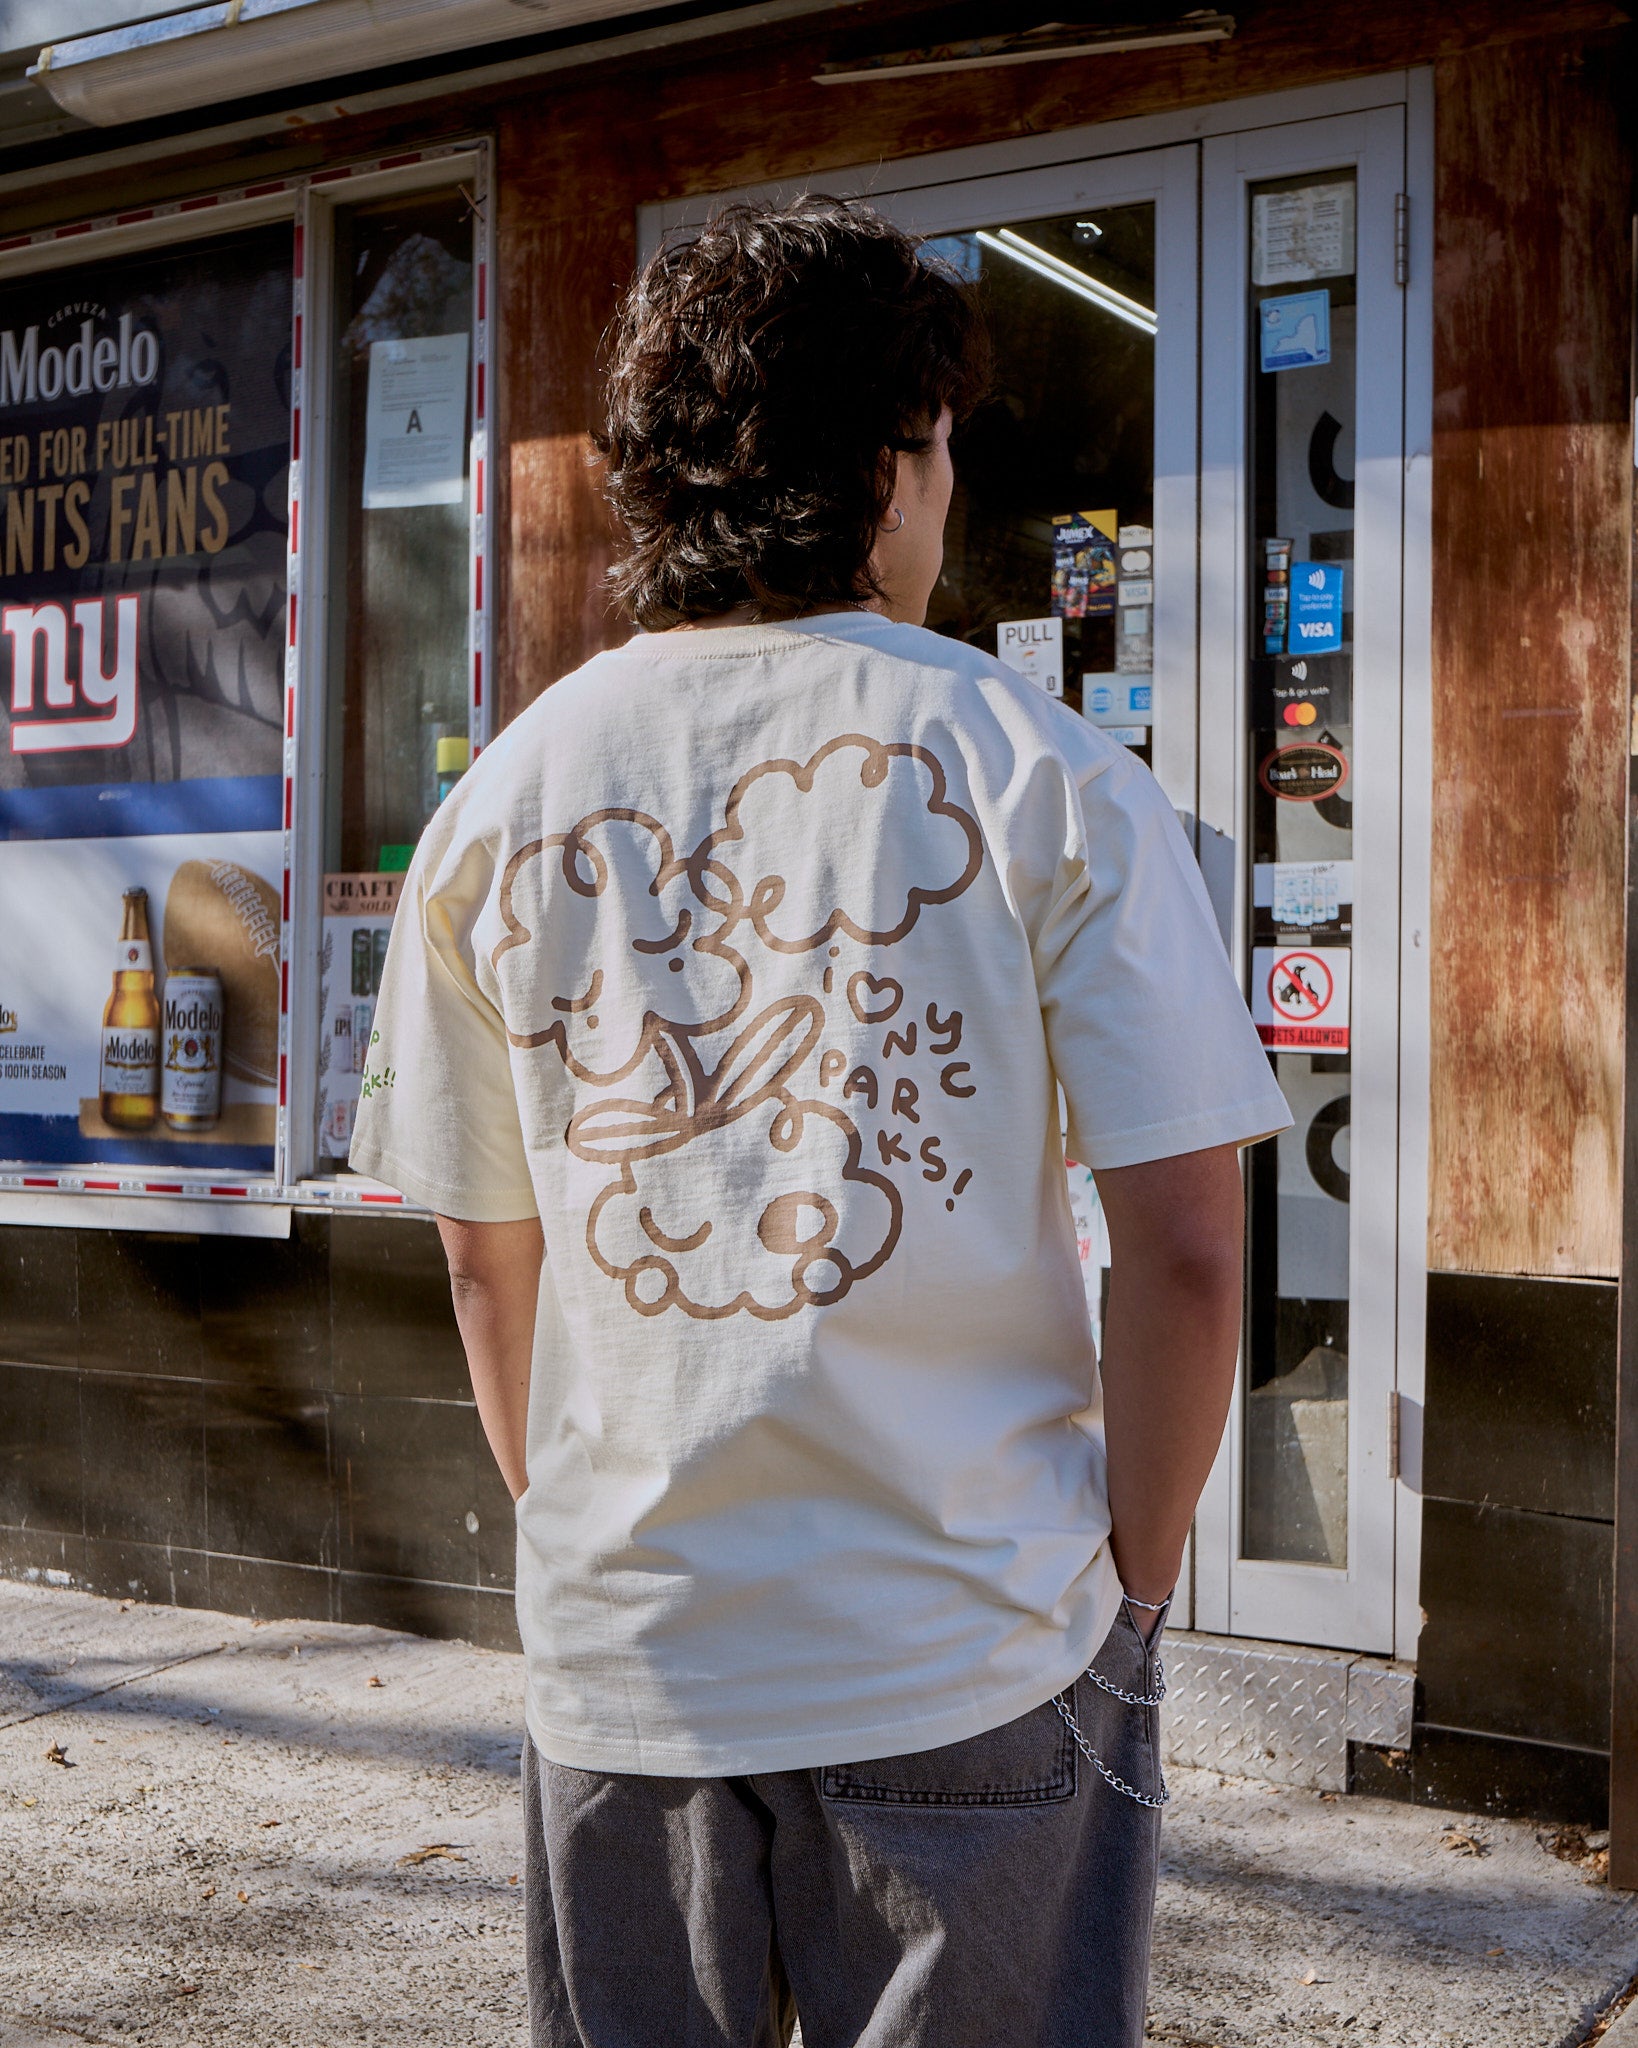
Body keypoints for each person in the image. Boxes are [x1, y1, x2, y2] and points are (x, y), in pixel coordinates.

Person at [350, 195, 1291, 2048]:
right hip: (967, 1643)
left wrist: (597, 1540)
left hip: (629, 1662)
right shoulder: (1048, 774)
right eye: (942, 452)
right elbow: (1183, 1247)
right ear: (893, 461)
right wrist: (1136, 1581)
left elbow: (482, 1252)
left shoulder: (508, 791)